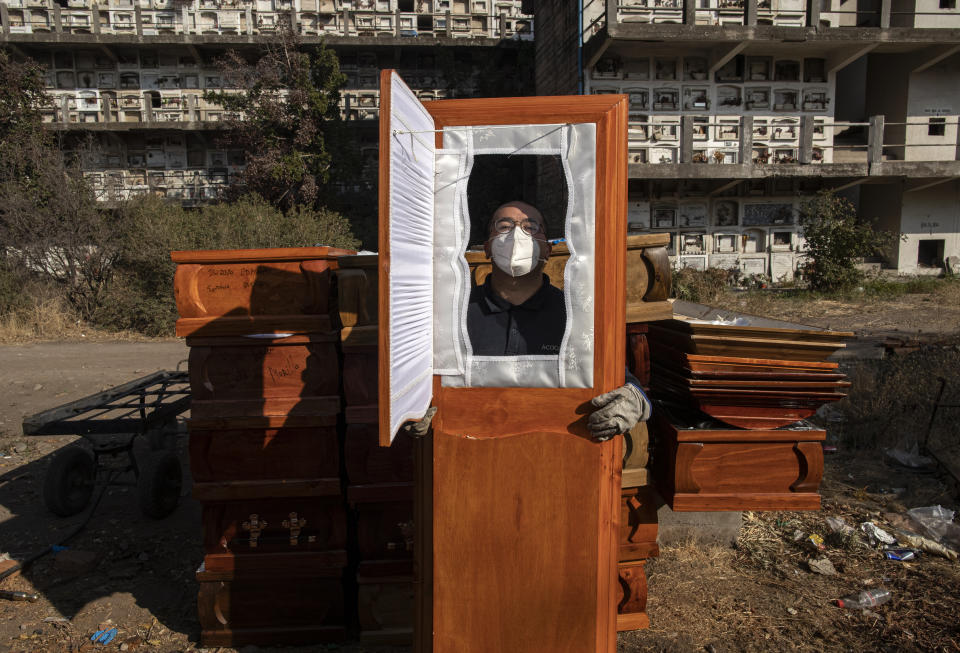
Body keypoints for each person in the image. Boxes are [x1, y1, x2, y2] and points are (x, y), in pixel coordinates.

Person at [408, 200, 652, 441]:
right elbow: (419, 378)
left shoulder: (576, 313)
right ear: (488, 248)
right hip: (465, 451)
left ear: (547, 248)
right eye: (504, 226)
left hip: (557, 452)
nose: (517, 235)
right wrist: (412, 407)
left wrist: (635, 400)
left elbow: (618, 379)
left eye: (530, 227)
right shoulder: (454, 313)